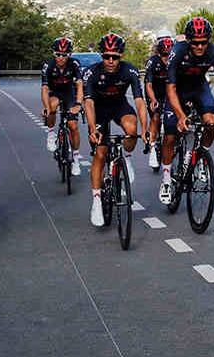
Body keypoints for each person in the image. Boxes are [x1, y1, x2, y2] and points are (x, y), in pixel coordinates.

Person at [159, 17, 214, 205]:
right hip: (178, 89)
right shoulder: (177, 52)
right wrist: (180, 115)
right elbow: (170, 89)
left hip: (199, 87)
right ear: (188, 40)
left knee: (210, 122)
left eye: (203, 43)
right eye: (195, 43)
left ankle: (201, 157)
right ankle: (167, 180)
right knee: (169, 136)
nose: (200, 47)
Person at [82, 33, 146, 226]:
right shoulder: (91, 73)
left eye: (115, 57)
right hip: (99, 110)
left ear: (121, 56)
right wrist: (93, 128)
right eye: (106, 56)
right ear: (102, 55)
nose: (110, 61)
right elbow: (89, 103)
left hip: (119, 106)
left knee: (131, 129)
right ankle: (96, 201)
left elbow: (139, 101)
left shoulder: (130, 71)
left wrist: (145, 128)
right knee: (100, 153)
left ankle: (126, 159)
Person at [40, 36, 84, 176]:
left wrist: (78, 103)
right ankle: (51, 133)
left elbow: (79, 84)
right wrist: (46, 107)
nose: (61, 58)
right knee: (51, 106)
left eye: (64, 55)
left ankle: (76, 158)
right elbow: (45, 89)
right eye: (58, 54)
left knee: (73, 126)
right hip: (55, 92)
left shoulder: (74, 64)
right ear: (54, 54)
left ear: (69, 55)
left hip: (70, 93)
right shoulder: (48, 65)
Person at [142, 35, 174, 171]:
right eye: (164, 56)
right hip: (154, 92)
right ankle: (153, 148)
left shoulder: (175, 61)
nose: (167, 59)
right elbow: (148, 85)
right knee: (155, 116)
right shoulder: (153, 62)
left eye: (169, 55)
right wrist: (153, 100)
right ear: (159, 53)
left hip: (169, 92)